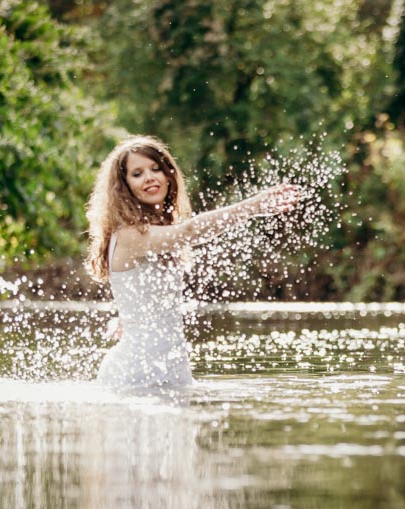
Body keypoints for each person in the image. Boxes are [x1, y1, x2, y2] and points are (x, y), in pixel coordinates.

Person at [84, 135, 300, 391]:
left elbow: (141, 292)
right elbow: (189, 232)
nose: (150, 177)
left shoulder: (152, 232)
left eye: (156, 169)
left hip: (169, 369)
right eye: (137, 173)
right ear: (124, 187)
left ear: (169, 176)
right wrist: (252, 207)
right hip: (135, 374)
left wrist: (128, 318)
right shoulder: (130, 234)